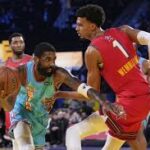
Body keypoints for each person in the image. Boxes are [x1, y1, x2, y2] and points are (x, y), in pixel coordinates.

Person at [52, 4, 150, 150]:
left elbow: (91, 94)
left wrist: (59, 94)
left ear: (92, 26)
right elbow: (148, 37)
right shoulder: (122, 30)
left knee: (73, 132)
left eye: (80, 24)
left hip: (127, 106)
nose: (76, 28)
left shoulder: (92, 51)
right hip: (145, 99)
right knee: (117, 145)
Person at [6, 42, 124, 150]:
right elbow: (7, 101)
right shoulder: (21, 73)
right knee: (26, 145)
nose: (52, 63)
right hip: (21, 114)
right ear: (36, 59)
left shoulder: (58, 74)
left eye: (54, 59)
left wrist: (105, 102)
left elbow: (84, 90)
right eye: (47, 59)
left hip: (39, 119)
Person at [4, 32, 32, 140]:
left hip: (29, 109)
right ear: (10, 45)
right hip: (11, 113)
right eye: (15, 42)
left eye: (21, 42)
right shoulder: (5, 65)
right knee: (17, 143)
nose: (19, 44)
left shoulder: (33, 61)